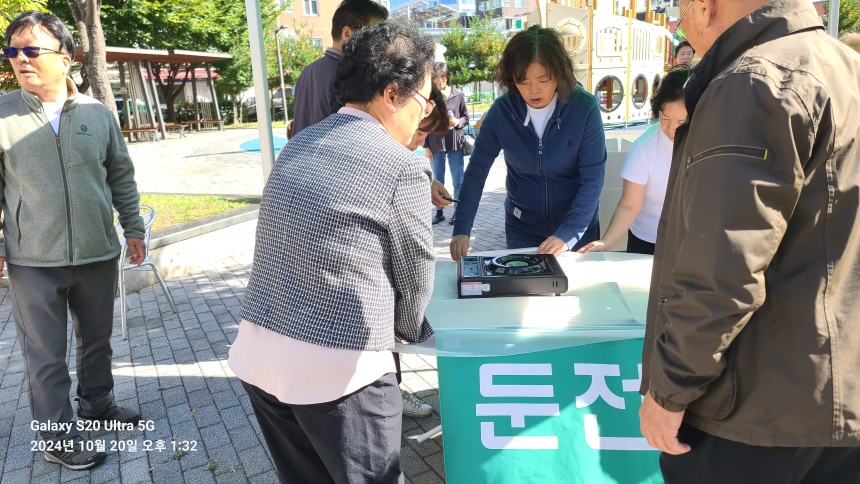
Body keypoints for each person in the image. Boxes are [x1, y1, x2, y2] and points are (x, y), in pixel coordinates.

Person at [638, 0, 860, 482]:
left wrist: (669, 391)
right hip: (839, 399)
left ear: (705, 6)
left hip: (752, 411)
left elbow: (722, 269)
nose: (682, 25)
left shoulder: (751, 82)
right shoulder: (846, 67)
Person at [228, 20, 436, 483]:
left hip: (260, 355)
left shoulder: (300, 143)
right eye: (424, 101)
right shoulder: (401, 166)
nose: (424, 115)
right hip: (340, 371)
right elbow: (417, 272)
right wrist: (405, 334)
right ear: (392, 94)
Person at [0, 12, 146, 471]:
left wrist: (133, 227)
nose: (20, 59)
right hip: (32, 258)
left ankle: (97, 404)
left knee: (97, 341)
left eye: (31, 50)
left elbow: (120, 174)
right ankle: (57, 436)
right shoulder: (2, 114)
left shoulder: (98, 113)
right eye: (12, 51)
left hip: (97, 250)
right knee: (45, 356)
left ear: (65, 58)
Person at [449, 25, 606, 260]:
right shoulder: (502, 113)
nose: (534, 90)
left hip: (577, 226)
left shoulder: (584, 108)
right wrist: (462, 227)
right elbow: (475, 174)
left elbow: (593, 178)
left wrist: (569, 233)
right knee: (524, 283)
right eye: (523, 81)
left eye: (543, 79)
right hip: (522, 226)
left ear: (559, 72)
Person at [577, 67, 690, 256]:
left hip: (694, 241)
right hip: (648, 241)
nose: (671, 129)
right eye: (665, 118)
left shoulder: (712, 144)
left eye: (681, 122)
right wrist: (605, 242)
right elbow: (629, 205)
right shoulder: (645, 147)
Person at [290, 0, 389, 136]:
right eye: (374, 36)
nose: (381, 44)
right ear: (347, 34)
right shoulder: (351, 77)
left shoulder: (307, 71)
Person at [425, 63, 468, 225]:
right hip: (435, 142)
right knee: (438, 179)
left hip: (455, 141)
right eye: (436, 77)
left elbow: (465, 117)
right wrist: (426, 146)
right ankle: (439, 212)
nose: (440, 80)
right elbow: (425, 121)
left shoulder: (458, 95)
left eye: (443, 76)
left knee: (458, 180)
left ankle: (458, 212)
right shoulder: (430, 96)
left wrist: (458, 122)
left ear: (447, 77)